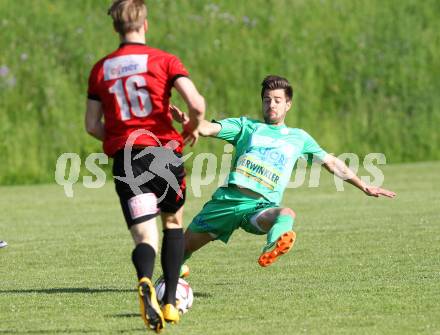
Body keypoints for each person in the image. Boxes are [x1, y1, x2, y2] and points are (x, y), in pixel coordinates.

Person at [170, 75, 395, 271]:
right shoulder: (246, 126)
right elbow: (209, 128)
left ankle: (274, 243)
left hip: (260, 207)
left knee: (286, 213)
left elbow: (331, 162)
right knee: (179, 248)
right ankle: (174, 277)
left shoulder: (299, 138)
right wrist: (191, 122)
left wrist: (363, 185)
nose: (271, 105)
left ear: (288, 104)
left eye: (277, 100)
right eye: (267, 100)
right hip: (228, 201)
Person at [85, 0, 205, 332]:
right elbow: (196, 102)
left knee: (144, 235)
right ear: (145, 25)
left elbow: (92, 126)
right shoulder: (164, 61)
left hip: (127, 160)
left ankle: (143, 279)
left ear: (115, 29)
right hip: (164, 154)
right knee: (172, 222)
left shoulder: (101, 69)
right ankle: (169, 305)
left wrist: (121, 136)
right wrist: (193, 125)